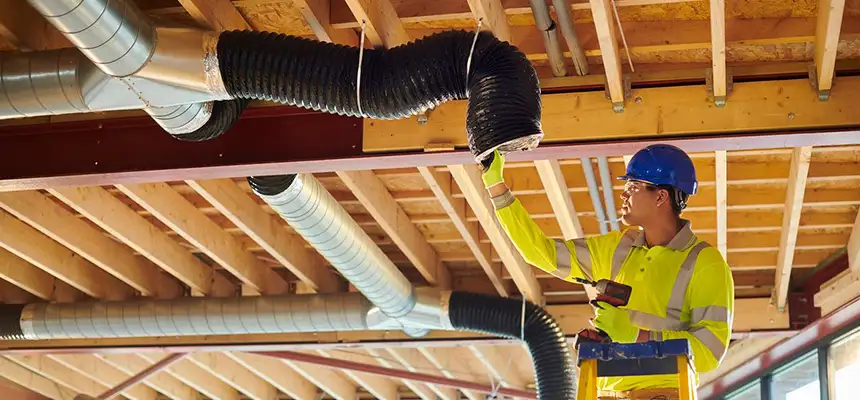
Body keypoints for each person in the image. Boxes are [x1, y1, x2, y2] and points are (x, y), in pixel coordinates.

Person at [482, 144, 734, 398]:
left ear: (660, 197)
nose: (623, 195)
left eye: (632, 187)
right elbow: (543, 253)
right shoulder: (617, 248)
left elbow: (710, 352)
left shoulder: (704, 262)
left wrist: (639, 336)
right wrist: (496, 187)